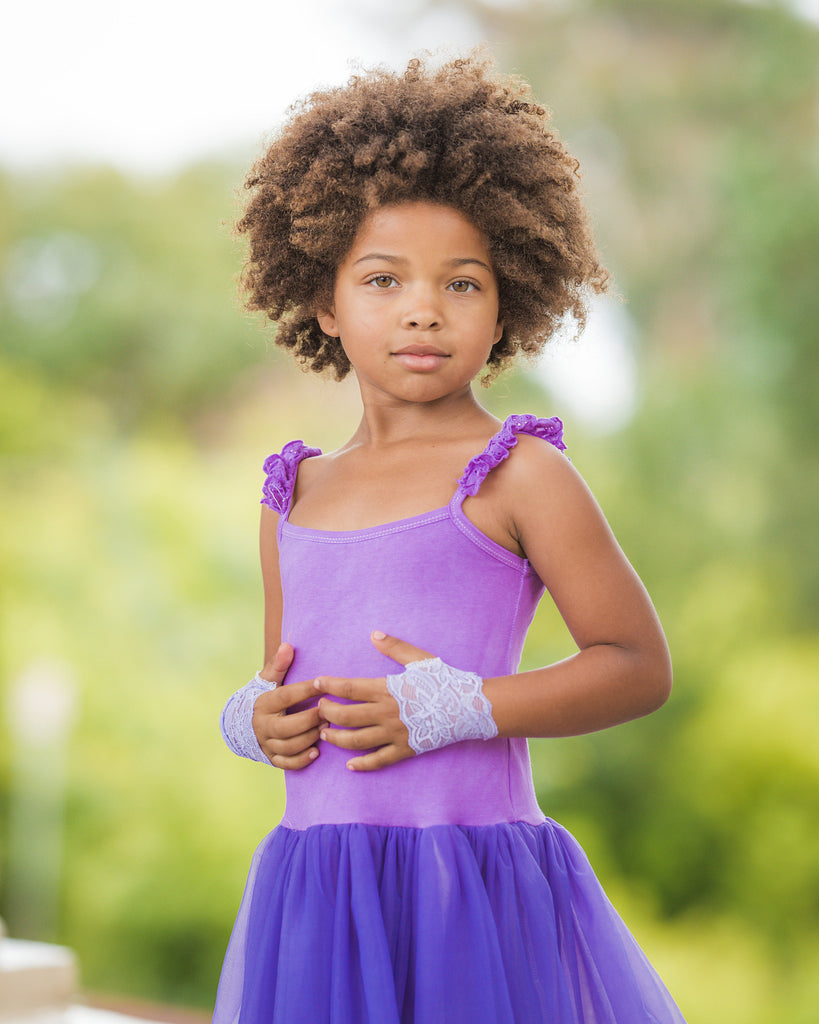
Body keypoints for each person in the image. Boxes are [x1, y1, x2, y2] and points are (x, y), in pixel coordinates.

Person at [214, 52, 685, 1024]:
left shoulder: (521, 473)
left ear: (507, 300)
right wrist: (254, 720)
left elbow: (637, 664)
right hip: (321, 901)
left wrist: (466, 706)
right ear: (322, 302)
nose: (424, 307)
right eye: (383, 279)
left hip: (469, 892)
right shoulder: (289, 492)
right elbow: (282, 676)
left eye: (462, 283)